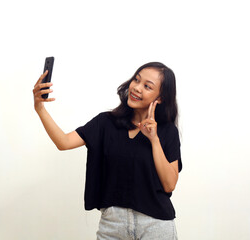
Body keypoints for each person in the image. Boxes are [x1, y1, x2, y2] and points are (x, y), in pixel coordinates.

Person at [33, 62, 182, 240]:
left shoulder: (167, 132)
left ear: (160, 98)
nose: (136, 88)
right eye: (136, 80)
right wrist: (40, 109)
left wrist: (154, 140)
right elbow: (63, 142)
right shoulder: (105, 123)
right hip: (112, 225)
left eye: (147, 86)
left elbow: (169, 184)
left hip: (155, 225)